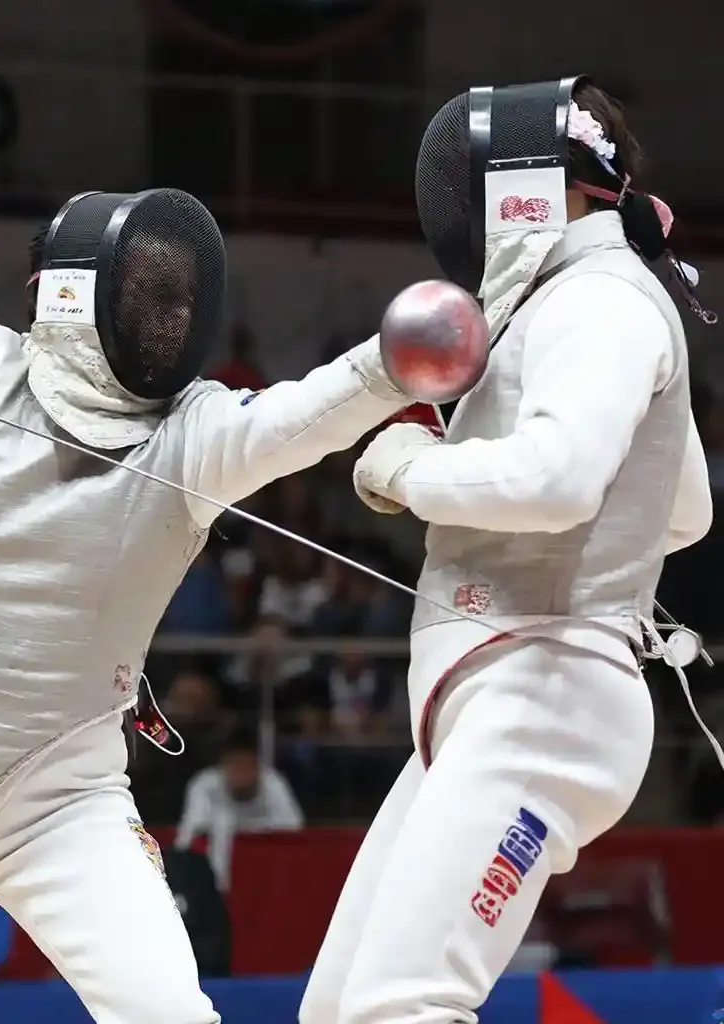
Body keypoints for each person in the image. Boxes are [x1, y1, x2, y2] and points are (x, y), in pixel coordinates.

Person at [0, 187, 411, 1024]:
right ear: (76, 302)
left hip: (63, 801)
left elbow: (306, 413)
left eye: (178, 299)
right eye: (150, 296)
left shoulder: (194, 432)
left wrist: (391, 362)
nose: (172, 317)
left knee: (170, 1016)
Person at [301, 80, 714, 1024]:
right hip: (505, 697)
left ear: (530, 186)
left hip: (544, 696)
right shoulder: (585, 299)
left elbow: (560, 480)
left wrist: (414, 470)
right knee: (336, 1012)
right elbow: (682, 509)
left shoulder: (601, 300)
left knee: (401, 1009)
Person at [174, 728, 304, 891]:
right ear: (223, 766)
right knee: (222, 819)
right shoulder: (204, 785)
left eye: (248, 766)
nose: (242, 774)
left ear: (258, 767)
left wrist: (242, 827)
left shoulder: (273, 783)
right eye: (236, 765)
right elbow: (188, 834)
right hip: (213, 877)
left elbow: (294, 824)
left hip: (265, 876)